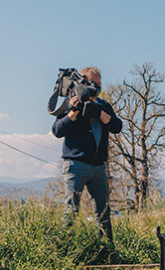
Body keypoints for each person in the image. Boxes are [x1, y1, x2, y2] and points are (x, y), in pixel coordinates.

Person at [51, 66, 122, 241]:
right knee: (71, 209)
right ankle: (65, 249)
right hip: (75, 165)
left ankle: (106, 250)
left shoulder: (103, 105)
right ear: (82, 83)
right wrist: (73, 112)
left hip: (99, 167)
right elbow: (57, 131)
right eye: (92, 83)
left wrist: (100, 113)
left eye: (99, 83)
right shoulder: (71, 103)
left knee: (103, 212)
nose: (95, 87)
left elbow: (117, 127)